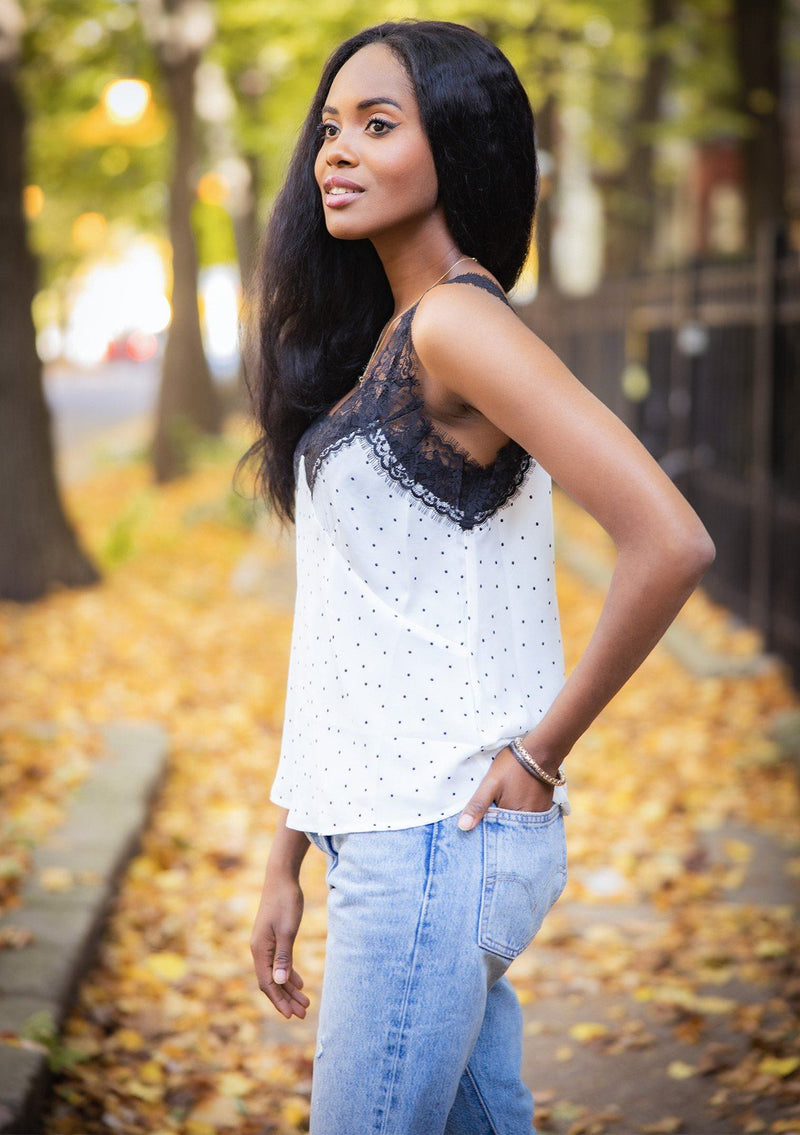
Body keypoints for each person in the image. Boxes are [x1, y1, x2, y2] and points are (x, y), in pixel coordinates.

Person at [241, 18, 716, 1135]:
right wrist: (287, 849)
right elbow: (346, 632)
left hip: (431, 843)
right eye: (328, 129)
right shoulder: (392, 336)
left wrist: (537, 754)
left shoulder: (455, 323)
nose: (335, 153)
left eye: (376, 125)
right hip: (393, 836)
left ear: (454, 146)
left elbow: (669, 539)